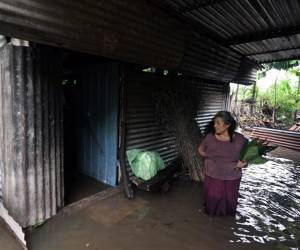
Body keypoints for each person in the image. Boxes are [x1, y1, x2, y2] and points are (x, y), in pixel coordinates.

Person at [198, 111, 248, 216]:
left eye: (218, 123)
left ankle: (227, 224)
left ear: (228, 125)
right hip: (213, 174)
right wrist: (209, 156)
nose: (215, 125)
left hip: (232, 176)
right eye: (214, 123)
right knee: (212, 204)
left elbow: (247, 159)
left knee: (229, 203)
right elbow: (200, 150)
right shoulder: (210, 137)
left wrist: (244, 163)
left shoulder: (240, 140)